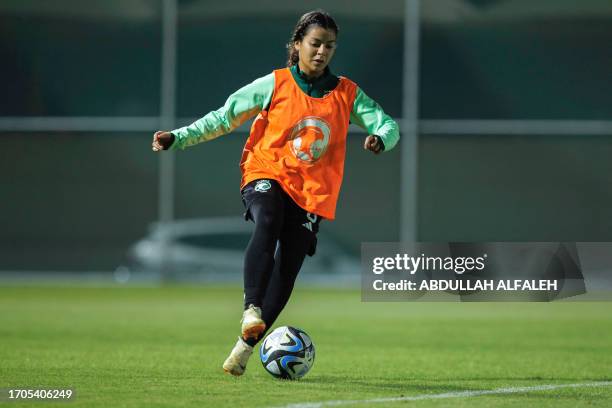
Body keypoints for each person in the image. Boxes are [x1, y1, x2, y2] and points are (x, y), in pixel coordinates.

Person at [152, 9, 400, 376]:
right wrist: (179, 138)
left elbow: (386, 122)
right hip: (266, 171)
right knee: (268, 217)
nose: (321, 52)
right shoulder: (275, 84)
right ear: (297, 44)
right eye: (315, 44)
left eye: (329, 46)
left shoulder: (346, 93)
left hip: (312, 191)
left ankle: (245, 347)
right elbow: (224, 117)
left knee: (289, 267)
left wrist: (381, 138)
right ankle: (251, 307)